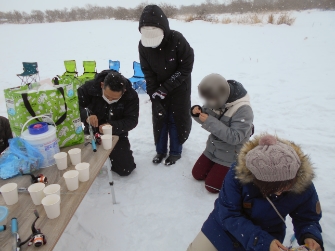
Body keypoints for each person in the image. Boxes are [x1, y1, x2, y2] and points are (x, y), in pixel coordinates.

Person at [187, 134, 324, 251]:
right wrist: (262, 241)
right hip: (223, 230)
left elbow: (307, 218)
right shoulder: (238, 174)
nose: (280, 192)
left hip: (269, 235)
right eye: (273, 188)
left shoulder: (302, 181)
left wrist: (310, 236)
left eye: (286, 185)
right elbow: (228, 214)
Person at [138, 5, 194, 166]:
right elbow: (147, 72)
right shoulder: (142, 46)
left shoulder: (177, 40)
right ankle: (160, 151)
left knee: (175, 119)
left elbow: (186, 67)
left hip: (179, 87)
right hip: (158, 87)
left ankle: (175, 152)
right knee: (160, 119)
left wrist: (166, 88)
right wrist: (153, 94)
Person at [191, 74, 254, 193]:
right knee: (197, 174)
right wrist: (197, 113)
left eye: (210, 100)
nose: (208, 102)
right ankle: (216, 166)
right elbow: (206, 115)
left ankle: (240, 168)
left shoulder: (244, 110)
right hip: (213, 147)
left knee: (212, 186)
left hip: (231, 153)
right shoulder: (215, 98)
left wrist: (209, 121)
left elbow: (235, 137)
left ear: (222, 95)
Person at [78, 70, 139, 176]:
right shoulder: (90, 88)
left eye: (115, 98)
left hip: (116, 134)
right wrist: (86, 116)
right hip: (92, 131)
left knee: (125, 169)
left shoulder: (130, 96)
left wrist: (113, 126)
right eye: (107, 95)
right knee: (84, 168)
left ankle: (114, 156)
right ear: (102, 85)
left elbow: (132, 120)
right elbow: (72, 106)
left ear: (123, 91)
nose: (110, 99)